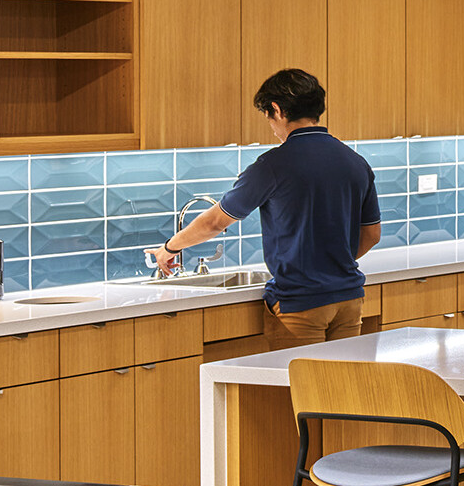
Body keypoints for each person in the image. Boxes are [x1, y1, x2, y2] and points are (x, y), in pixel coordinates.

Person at [146, 69, 381, 348]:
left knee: (295, 389)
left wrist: (170, 248)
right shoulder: (354, 161)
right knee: (337, 388)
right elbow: (372, 234)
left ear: (278, 111)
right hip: (348, 300)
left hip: (301, 303)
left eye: (268, 116)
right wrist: (330, 264)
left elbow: (215, 222)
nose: (271, 127)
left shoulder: (272, 165)